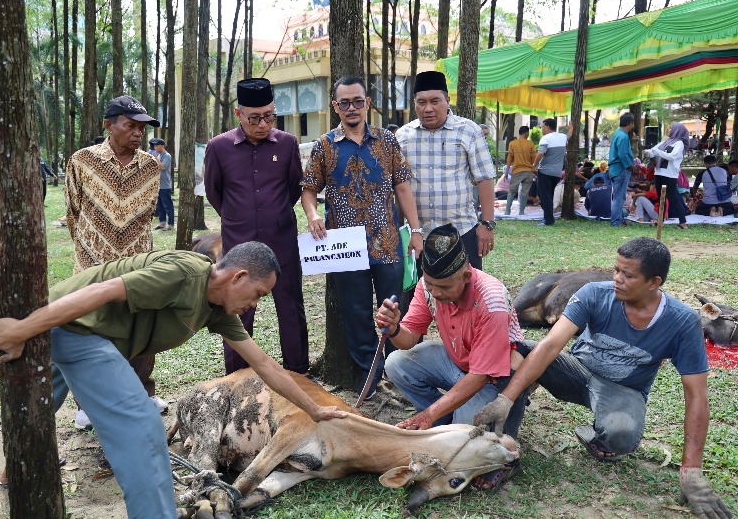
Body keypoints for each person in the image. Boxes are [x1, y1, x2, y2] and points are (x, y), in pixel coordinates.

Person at [0, 243, 346, 519]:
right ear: (237, 277)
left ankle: (15, 466)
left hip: (90, 334)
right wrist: (23, 329)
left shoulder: (216, 308)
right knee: (143, 426)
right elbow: (102, 291)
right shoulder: (185, 275)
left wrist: (315, 409)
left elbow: (266, 365)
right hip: (74, 327)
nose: (254, 305)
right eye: (257, 294)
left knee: (44, 398)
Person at [473, 237, 732, 519]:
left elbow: (697, 396)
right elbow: (549, 346)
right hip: (574, 369)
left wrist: (691, 473)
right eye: (616, 270)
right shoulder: (595, 293)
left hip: (621, 390)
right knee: (517, 352)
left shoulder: (681, 322)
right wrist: (505, 398)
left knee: (621, 435)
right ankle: (502, 452)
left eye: (628, 275)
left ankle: (600, 440)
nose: (617, 279)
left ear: (654, 282)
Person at [374, 224, 528, 490]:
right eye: (430, 284)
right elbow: (408, 339)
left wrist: (427, 415)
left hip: (491, 378)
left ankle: (498, 451)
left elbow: (480, 376)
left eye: (443, 286)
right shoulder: (428, 286)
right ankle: (445, 418)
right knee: (396, 363)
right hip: (459, 364)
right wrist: (394, 327)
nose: (435, 292)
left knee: (459, 442)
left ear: (466, 276)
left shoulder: (491, 301)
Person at [302, 75, 423, 397]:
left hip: (386, 240)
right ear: (335, 107)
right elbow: (309, 190)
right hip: (345, 246)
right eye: (345, 103)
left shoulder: (387, 141)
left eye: (358, 101)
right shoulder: (324, 145)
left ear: (367, 103)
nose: (352, 108)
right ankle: (369, 374)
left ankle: (399, 370)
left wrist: (416, 230)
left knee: (395, 304)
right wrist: (313, 215)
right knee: (355, 311)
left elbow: (402, 186)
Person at [64, 95, 165, 429]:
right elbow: (73, 210)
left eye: (142, 128)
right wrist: (92, 247)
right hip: (92, 264)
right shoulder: (82, 161)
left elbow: (147, 215)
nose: (138, 134)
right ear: (108, 125)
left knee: (141, 330)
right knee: (93, 332)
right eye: (130, 126)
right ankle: (88, 405)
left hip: (138, 264)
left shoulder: (151, 166)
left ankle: (143, 394)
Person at [204, 78, 310, 376]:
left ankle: (298, 371)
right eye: (255, 118)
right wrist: (240, 218)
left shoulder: (287, 144)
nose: (263, 124)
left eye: (269, 116)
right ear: (239, 114)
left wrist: (273, 217)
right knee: (238, 310)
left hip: (282, 239)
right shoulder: (219, 147)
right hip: (238, 242)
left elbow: (292, 189)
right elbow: (215, 193)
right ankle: (237, 376)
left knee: (290, 305)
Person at [396, 71, 497, 269]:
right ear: (414, 103)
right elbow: (400, 186)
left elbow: (485, 179)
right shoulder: (403, 136)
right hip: (418, 236)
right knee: (419, 296)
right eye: (421, 102)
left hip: (462, 232)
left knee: (465, 294)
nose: (428, 109)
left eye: (435, 101)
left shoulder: (469, 130)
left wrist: (487, 224)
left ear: (448, 100)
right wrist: (401, 230)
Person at [643, 122, 690, 228]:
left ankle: (683, 222)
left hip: (670, 175)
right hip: (659, 172)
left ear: (676, 131)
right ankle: (661, 221)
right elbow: (653, 151)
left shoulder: (679, 144)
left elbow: (672, 156)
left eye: (670, 129)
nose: (668, 131)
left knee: (673, 198)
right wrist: (648, 152)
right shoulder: (665, 142)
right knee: (661, 199)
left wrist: (656, 152)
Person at [532, 118, 573, 227]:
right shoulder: (562, 137)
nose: (542, 129)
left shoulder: (546, 138)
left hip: (545, 171)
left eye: (543, 127)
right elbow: (569, 135)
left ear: (548, 127)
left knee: (544, 195)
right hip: (557, 173)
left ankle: (548, 220)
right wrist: (571, 128)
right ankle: (548, 216)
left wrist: (534, 166)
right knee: (548, 195)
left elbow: (540, 153)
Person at [608, 113, 635, 227]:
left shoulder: (617, 134)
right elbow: (622, 154)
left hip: (615, 168)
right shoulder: (623, 136)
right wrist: (630, 165)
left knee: (619, 196)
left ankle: (619, 219)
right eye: (632, 123)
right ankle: (615, 222)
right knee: (619, 197)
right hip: (621, 169)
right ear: (630, 123)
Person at [505, 126, 537, 215]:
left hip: (517, 171)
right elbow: (533, 159)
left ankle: (507, 211)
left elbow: (509, 159)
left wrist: (507, 172)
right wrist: (534, 169)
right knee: (525, 192)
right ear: (526, 133)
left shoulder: (512, 143)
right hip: (528, 171)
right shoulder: (530, 144)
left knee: (512, 191)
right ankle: (521, 212)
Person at [152, 139, 175, 231]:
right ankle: (162, 223)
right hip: (159, 184)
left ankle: (171, 224)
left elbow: (163, 167)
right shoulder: (159, 155)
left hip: (165, 185)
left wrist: (155, 159)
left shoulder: (167, 156)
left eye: (156, 146)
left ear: (162, 146)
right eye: (154, 146)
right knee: (160, 205)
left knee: (167, 205)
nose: (155, 148)